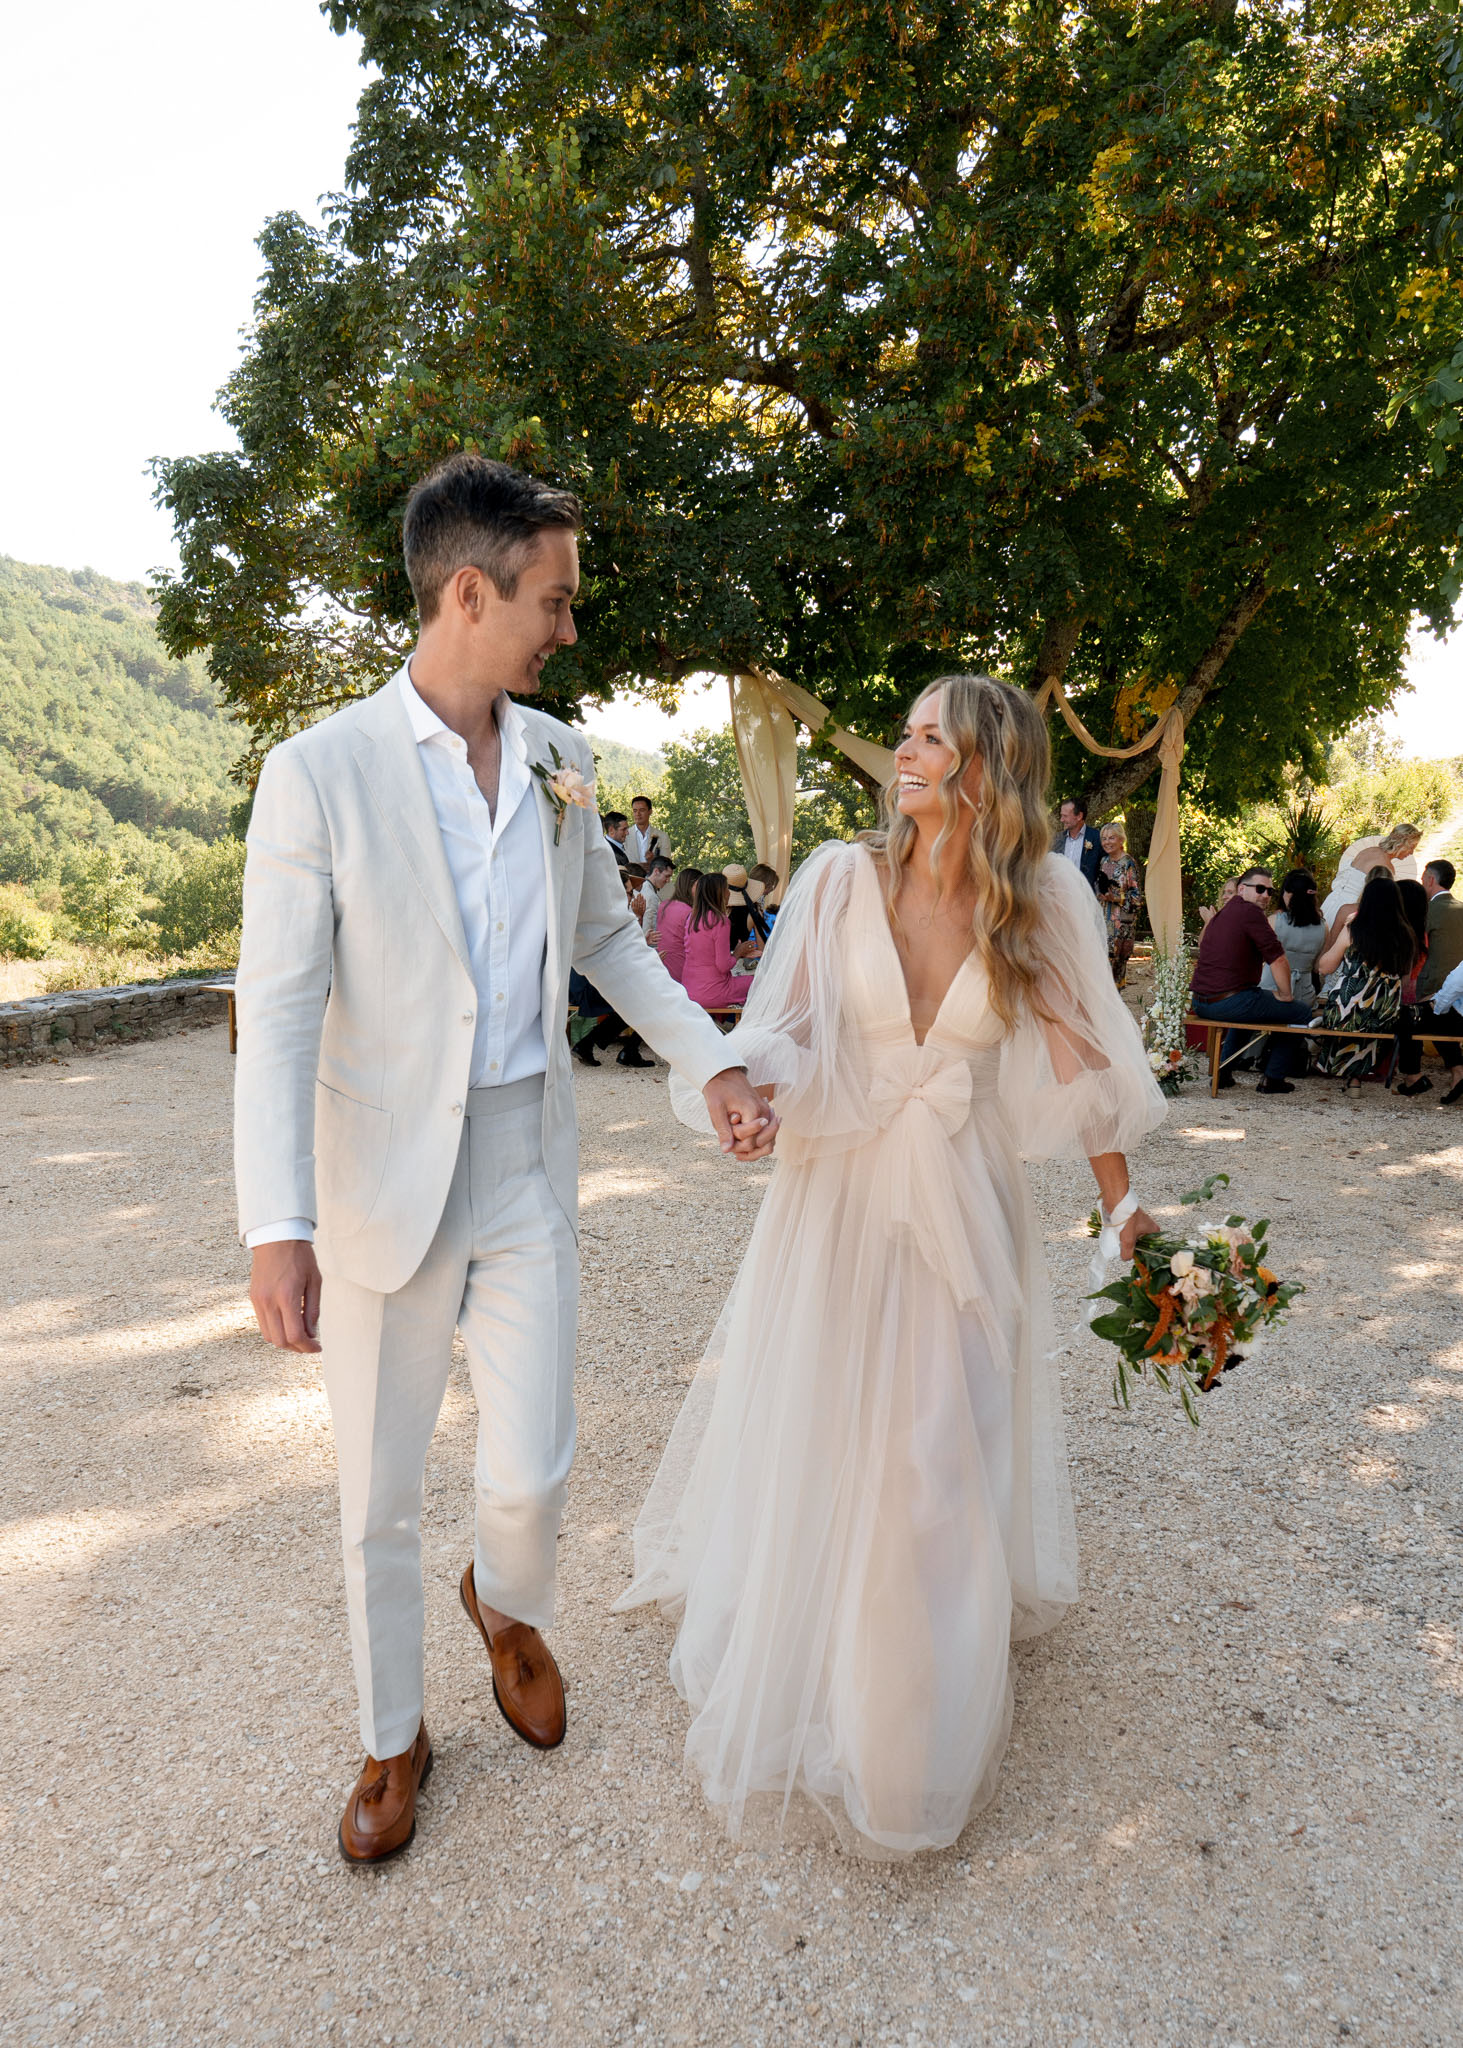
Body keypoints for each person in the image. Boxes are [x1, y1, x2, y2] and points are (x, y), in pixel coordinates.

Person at [235, 453, 778, 1866]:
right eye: (555, 598)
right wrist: (275, 1224)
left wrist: (711, 1058)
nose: (568, 626)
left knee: (531, 1461)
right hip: (378, 1179)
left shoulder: (558, 758)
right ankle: (392, 1733)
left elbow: (605, 940)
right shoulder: (317, 773)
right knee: (376, 1490)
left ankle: (505, 1599)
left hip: (526, 1153)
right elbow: (278, 1013)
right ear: (469, 594)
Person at [614, 675, 1164, 1856]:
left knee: (935, 1449)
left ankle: (905, 1728)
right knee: (828, 1423)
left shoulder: (1038, 902)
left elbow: (1084, 1071)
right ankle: (816, 1646)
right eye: (904, 734)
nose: (902, 754)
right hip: (840, 1191)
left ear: (984, 768)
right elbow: (790, 1026)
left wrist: (1123, 1210)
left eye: (928, 738)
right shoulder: (834, 879)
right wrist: (754, 1095)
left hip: (961, 1200)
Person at [1189, 867, 1311, 1093]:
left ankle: (1223, 1074)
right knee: (1301, 1012)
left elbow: (1203, 943)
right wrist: (1286, 995)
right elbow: (1278, 959)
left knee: (1249, 1002)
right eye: (1260, 889)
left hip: (1200, 1002)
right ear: (1241, 889)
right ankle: (1273, 1079)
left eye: (1270, 891)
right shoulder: (1251, 913)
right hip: (1227, 1002)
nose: (1265, 895)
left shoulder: (1225, 912)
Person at [1311, 871, 1415, 1087]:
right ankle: (1355, 1078)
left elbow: (1325, 967)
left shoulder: (1354, 929)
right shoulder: (1406, 935)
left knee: (1347, 1011)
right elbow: (1405, 978)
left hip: (1347, 1011)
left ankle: (1336, 1068)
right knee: (1365, 1019)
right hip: (1386, 1013)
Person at [1395, 859, 1463, 1103]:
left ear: (1431, 880)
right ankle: (1456, 1072)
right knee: (1436, 1020)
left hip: (1435, 985)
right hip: (1455, 993)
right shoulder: (1460, 908)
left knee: (1413, 1016)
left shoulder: (1428, 911)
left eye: (1423, 878)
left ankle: (1413, 1075)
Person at [1320, 823, 1422, 936]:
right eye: (1411, 847)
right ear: (1401, 844)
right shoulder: (1386, 867)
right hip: (1350, 911)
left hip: (1331, 901)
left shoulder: (1368, 850)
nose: (1411, 853)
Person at [682, 871, 757, 1012]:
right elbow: (723, 966)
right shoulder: (720, 920)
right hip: (713, 992)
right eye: (726, 889)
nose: (729, 893)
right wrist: (738, 952)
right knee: (761, 980)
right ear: (719, 893)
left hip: (689, 991)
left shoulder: (691, 918)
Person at [1260, 869, 1327, 1003]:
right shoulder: (1323, 927)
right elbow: (1317, 966)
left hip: (1271, 993)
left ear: (1289, 894)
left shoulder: (1274, 921)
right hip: (1304, 997)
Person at [1094, 822, 1142, 988]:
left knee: (1114, 972)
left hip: (1121, 926)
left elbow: (1136, 898)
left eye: (1111, 838)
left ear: (1121, 840)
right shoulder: (1104, 861)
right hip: (1102, 923)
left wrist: (1115, 898)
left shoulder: (1128, 863)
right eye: (1104, 838)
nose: (1107, 842)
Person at [655, 866, 701, 983]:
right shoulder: (690, 913)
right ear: (691, 886)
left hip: (661, 969)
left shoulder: (663, 905)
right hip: (682, 973)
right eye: (700, 886)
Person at [1054, 796, 1103, 888]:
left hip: (1086, 894)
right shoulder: (1057, 840)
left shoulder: (1097, 838)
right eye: (1061, 815)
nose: (1061, 820)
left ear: (1079, 816)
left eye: (1065, 816)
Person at [625, 795, 672, 869]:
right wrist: (638, 867)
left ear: (650, 811)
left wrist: (653, 861)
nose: (638, 814)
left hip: (654, 875)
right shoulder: (625, 835)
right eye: (635, 811)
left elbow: (667, 865)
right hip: (630, 876)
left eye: (642, 810)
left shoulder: (662, 836)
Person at [640, 854, 676, 942]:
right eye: (667, 876)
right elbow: (649, 932)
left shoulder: (643, 887)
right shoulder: (651, 896)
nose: (668, 881)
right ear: (656, 871)